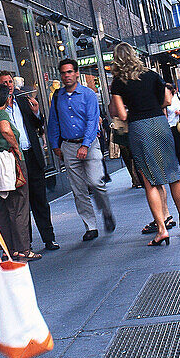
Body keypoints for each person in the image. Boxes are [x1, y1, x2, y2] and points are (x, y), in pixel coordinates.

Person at [109, 44, 180, 247]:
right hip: (159, 124)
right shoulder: (152, 75)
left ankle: (162, 229)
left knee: (150, 180)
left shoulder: (118, 82)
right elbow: (167, 101)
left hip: (139, 127)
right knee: (173, 174)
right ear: (135, 56)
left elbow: (122, 114)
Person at [47, 58, 115, 242]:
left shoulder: (88, 95)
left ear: (76, 73)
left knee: (95, 181)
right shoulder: (57, 96)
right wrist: (54, 145)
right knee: (78, 190)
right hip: (68, 146)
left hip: (90, 145)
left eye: (70, 72)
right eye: (63, 73)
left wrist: (85, 145)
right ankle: (90, 226)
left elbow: (93, 121)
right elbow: (53, 121)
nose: (67, 76)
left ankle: (106, 211)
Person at [0, 71, 58, 251]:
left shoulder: (23, 102)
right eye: (4, 82)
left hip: (31, 156)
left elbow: (37, 127)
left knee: (40, 201)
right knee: (21, 204)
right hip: (13, 160)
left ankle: (49, 238)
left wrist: (37, 112)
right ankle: (26, 243)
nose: (9, 85)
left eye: (10, 82)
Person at [0, 84, 39, 262]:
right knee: (20, 207)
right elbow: (6, 129)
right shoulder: (2, 114)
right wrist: (15, 145)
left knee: (3, 209)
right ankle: (24, 249)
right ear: (7, 99)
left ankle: (9, 249)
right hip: (10, 162)